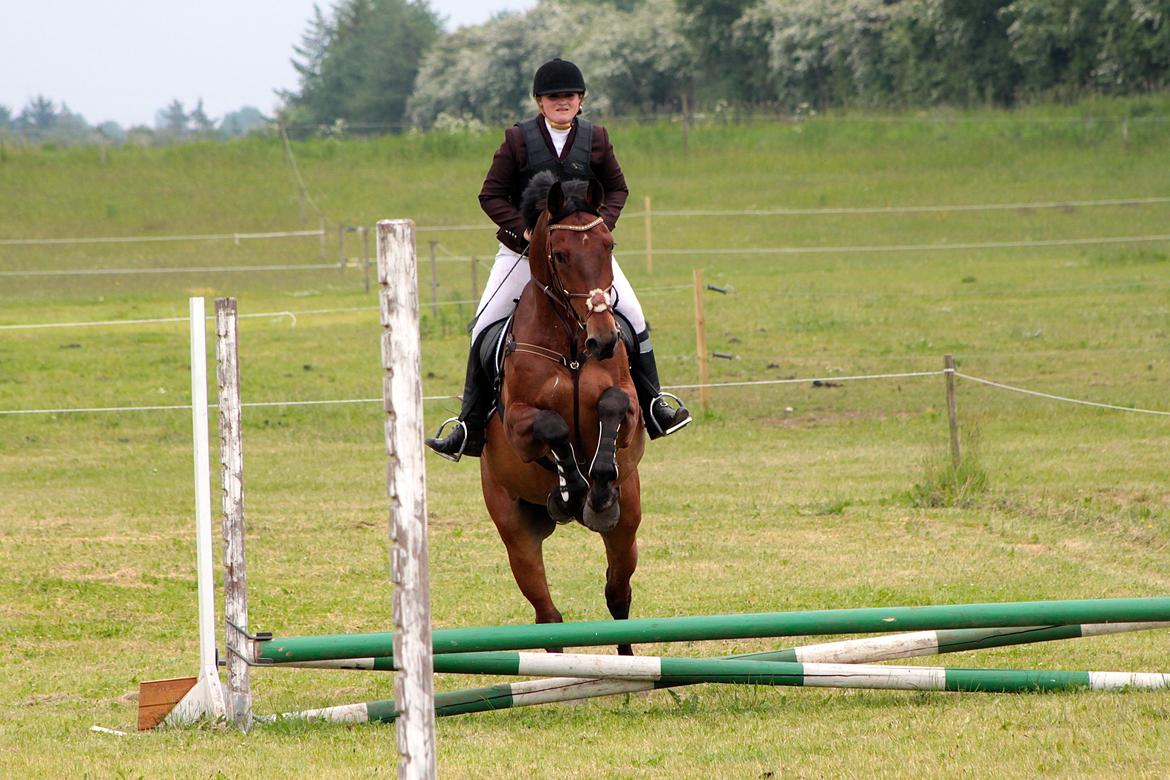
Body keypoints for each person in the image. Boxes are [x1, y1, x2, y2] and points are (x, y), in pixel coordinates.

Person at [425, 57, 691, 461]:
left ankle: (656, 406)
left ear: (580, 100)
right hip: (523, 255)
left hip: (584, 258)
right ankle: (468, 424)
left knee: (634, 317)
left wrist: (599, 228)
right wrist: (526, 231)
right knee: (482, 327)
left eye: (568, 95)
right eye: (553, 97)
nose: (561, 102)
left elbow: (618, 188)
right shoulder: (517, 141)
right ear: (539, 102)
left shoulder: (596, 138)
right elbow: (490, 195)